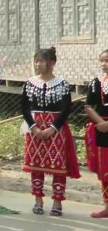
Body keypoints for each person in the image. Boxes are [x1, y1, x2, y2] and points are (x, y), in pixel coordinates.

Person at [21, 47, 80, 217]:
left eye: (41, 61)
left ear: (52, 63)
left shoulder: (61, 83)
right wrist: (33, 127)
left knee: (57, 165)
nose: (37, 64)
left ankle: (57, 201)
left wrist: (53, 128)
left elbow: (66, 108)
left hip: (56, 128)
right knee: (36, 165)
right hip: (35, 127)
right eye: (36, 61)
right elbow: (24, 107)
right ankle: (38, 200)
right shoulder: (30, 83)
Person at [84, 49, 108, 218]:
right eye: (102, 60)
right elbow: (88, 106)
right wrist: (102, 123)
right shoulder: (96, 83)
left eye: (107, 60)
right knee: (106, 169)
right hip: (101, 129)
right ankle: (107, 206)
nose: (104, 64)